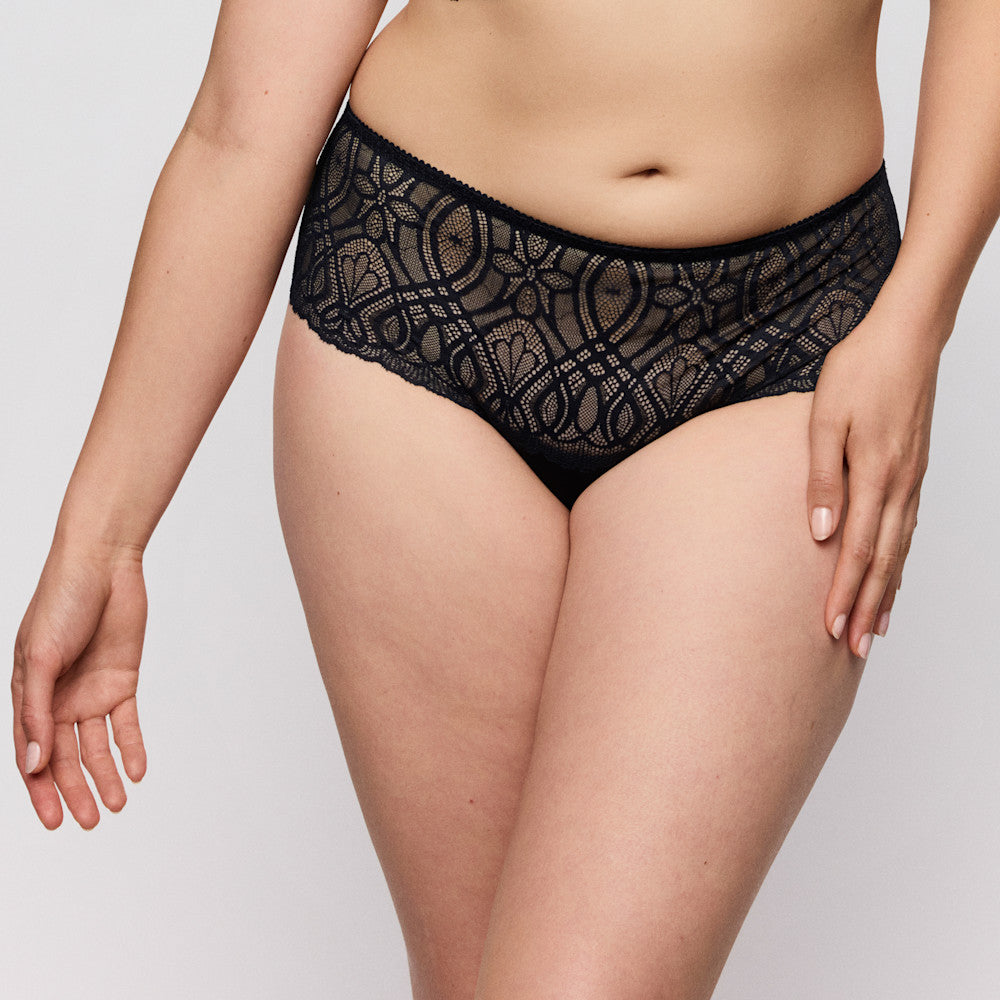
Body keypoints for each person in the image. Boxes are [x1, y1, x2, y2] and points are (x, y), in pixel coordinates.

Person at [10, 1, 999, 998]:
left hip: (782, 340)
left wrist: (918, 318)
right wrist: (102, 537)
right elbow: (241, 128)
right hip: (420, 303)